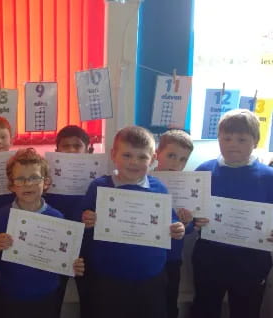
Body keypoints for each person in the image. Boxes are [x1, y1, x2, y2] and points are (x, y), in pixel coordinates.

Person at [81, 126, 185, 318]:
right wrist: (87, 220)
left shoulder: (158, 188)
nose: (134, 162)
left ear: (153, 159)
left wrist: (177, 228)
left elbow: (170, 221)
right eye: (127, 155)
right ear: (113, 155)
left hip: (150, 276)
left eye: (142, 157)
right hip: (108, 277)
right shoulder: (99, 187)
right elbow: (82, 228)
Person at [191, 109, 273, 318]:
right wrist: (194, 220)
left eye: (241, 139)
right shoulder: (203, 171)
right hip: (209, 257)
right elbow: (188, 213)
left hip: (252, 261)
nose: (232, 144)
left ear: (255, 141)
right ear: (218, 139)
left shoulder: (269, 177)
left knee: (246, 310)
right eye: (226, 138)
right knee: (204, 308)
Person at [0, 148, 85, 318]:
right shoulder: (1, 215)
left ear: (46, 182)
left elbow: (61, 258)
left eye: (34, 178)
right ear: (11, 185)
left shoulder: (57, 217)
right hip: (10, 294)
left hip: (46, 293)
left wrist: (71, 263)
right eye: (20, 179)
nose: (28, 184)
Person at [43, 125, 93, 318]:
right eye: (66, 146)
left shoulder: (99, 179)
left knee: (90, 297)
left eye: (77, 146)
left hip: (87, 245)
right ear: (57, 151)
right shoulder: (46, 180)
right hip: (56, 243)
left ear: (88, 150)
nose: (71, 150)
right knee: (53, 295)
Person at [155, 129, 195, 318]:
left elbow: (189, 228)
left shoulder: (189, 187)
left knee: (170, 301)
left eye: (182, 159)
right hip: (148, 254)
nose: (176, 163)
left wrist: (187, 223)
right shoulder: (143, 180)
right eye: (171, 155)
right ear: (157, 154)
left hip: (172, 257)